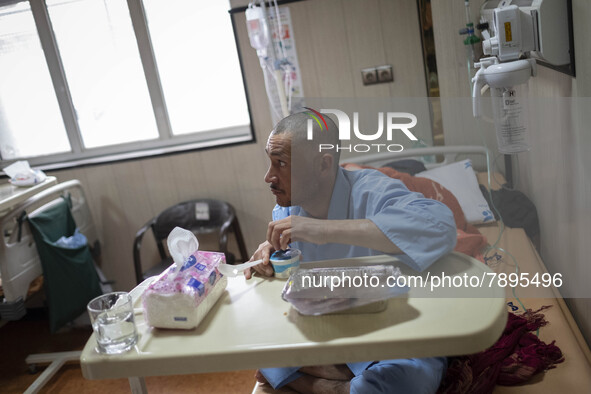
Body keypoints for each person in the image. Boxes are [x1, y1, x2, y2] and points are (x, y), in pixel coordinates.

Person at [245, 111, 457, 393]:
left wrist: (323, 230)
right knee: (261, 341)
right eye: (270, 162)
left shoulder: (373, 192)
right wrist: (269, 256)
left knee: (411, 378)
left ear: (323, 165)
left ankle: (320, 382)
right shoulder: (287, 206)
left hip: (386, 329)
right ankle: (340, 376)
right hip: (327, 330)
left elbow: (441, 225)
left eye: (281, 163)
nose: (268, 176)